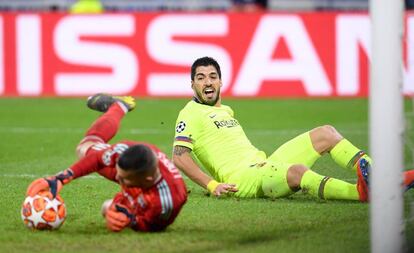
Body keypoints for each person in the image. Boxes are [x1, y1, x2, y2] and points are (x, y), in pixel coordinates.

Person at [172, 56, 414, 202]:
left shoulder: (226, 111)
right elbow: (179, 156)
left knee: (325, 133)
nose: (207, 82)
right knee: (297, 171)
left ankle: (381, 178)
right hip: (244, 180)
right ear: (192, 84)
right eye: (201, 78)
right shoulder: (190, 113)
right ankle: (361, 193)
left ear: (221, 81)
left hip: (263, 164)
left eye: (212, 76)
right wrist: (213, 185)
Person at [26, 94, 187, 232]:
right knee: (85, 148)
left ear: (146, 181)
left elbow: (153, 225)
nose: (118, 178)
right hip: (137, 180)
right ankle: (119, 106)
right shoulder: (125, 150)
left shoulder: (167, 201)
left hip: (147, 196)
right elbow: (96, 159)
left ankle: (115, 205)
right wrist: (61, 178)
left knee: (107, 208)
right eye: (119, 174)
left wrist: (130, 221)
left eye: (123, 179)